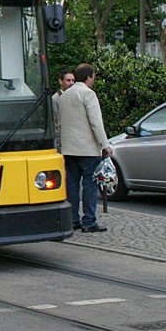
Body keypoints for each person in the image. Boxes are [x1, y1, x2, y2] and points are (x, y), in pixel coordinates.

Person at [58, 63, 112, 232]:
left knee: (72, 185)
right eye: (93, 76)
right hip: (87, 149)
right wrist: (105, 145)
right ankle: (89, 221)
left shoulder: (64, 96)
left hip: (69, 149)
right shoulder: (88, 94)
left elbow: (61, 123)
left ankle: (73, 219)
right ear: (89, 77)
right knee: (90, 184)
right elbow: (96, 123)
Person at [51, 69, 75, 151]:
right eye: (68, 80)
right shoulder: (55, 99)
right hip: (63, 142)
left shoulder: (75, 97)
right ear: (61, 81)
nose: (71, 83)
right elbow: (56, 122)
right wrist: (59, 142)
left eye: (73, 80)